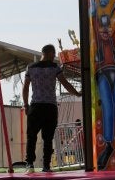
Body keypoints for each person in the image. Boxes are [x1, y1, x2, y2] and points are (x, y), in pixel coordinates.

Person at [22, 44, 82, 173]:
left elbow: (25, 87)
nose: (54, 56)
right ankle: (46, 166)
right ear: (48, 53)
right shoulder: (55, 68)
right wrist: (77, 93)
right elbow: (65, 83)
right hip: (50, 106)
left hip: (36, 105)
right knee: (48, 138)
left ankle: (30, 164)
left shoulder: (31, 67)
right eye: (53, 53)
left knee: (31, 136)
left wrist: (26, 105)